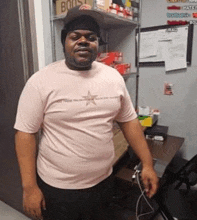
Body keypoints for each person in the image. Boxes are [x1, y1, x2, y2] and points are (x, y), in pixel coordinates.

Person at [14, 5, 158, 220]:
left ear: (98, 44)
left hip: (104, 182)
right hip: (58, 189)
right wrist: (29, 187)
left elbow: (128, 121)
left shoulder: (113, 77)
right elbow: (25, 134)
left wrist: (147, 163)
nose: (83, 41)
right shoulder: (40, 81)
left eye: (91, 37)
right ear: (65, 42)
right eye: (75, 36)